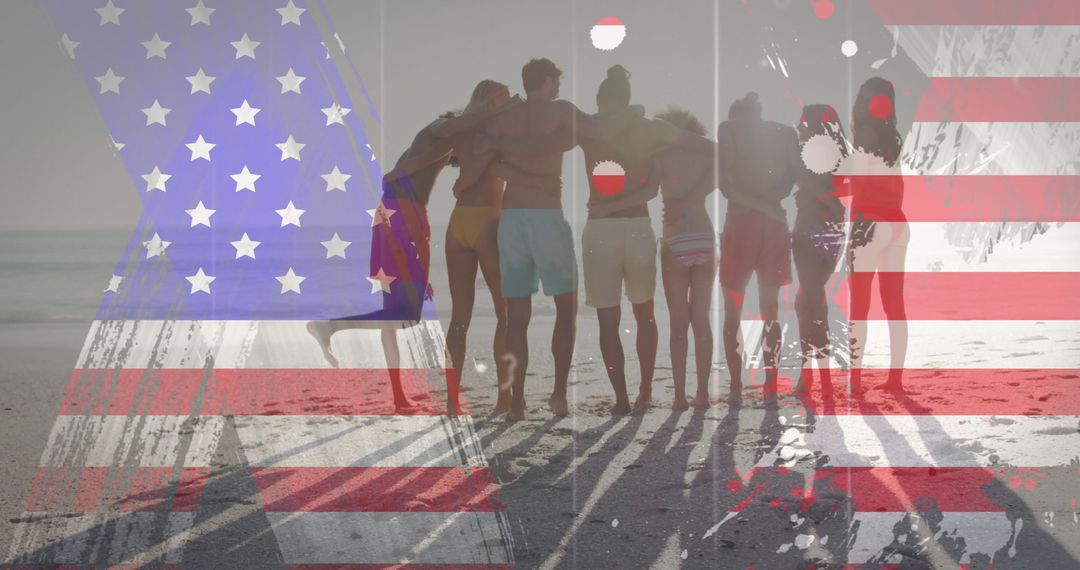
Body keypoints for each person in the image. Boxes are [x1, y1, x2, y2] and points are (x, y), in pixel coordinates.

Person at [482, 65, 715, 415]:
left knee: (608, 320)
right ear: (627, 99)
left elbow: (542, 145)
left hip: (601, 228)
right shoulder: (651, 127)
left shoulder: (588, 127)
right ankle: (645, 391)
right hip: (637, 225)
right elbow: (708, 148)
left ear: (600, 100)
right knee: (645, 314)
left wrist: (503, 151)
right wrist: (697, 192)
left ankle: (621, 399)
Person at [306, 80, 527, 412]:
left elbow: (420, 167)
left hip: (393, 215)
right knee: (407, 315)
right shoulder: (442, 127)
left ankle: (398, 396)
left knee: (397, 314)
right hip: (404, 215)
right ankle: (330, 326)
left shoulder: (438, 147)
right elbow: (422, 156)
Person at [480, 58, 647, 420]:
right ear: (546, 81)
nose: (558, 88)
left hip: (512, 218)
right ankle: (557, 395)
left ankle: (517, 403)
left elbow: (488, 159)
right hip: (545, 216)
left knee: (516, 316)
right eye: (555, 82)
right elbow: (600, 131)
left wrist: (522, 169)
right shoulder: (559, 110)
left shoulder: (506, 118)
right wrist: (633, 113)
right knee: (566, 308)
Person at [443, 80, 561, 415]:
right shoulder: (498, 133)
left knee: (459, 318)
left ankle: (452, 402)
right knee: (505, 315)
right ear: (495, 102)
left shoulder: (464, 130)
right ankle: (505, 398)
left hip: (458, 222)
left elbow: (460, 172)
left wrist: (463, 182)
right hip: (488, 221)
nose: (513, 104)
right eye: (506, 100)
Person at [716, 92, 800, 404]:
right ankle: (770, 384)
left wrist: (755, 202)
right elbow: (792, 176)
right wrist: (767, 202)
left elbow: (724, 184)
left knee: (733, 310)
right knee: (770, 310)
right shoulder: (784, 134)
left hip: (741, 223)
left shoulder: (729, 129)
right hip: (772, 222)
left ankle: (737, 386)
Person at [837, 77, 908, 393]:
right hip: (898, 224)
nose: (861, 103)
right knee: (895, 305)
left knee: (859, 304)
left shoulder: (865, 133)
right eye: (861, 96)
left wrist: (827, 188)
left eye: (866, 97)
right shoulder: (894, 136)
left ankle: (854, 380)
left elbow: (857, 183)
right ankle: (895, 379)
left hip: (868, 223)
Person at [653, 107, 719, 410]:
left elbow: (648, 188)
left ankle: (680, 396)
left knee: (678, 324)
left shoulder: (661, 155)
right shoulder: (705, 156)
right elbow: (726, 159)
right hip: (704, 235)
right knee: (701, 321)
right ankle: (703, 393)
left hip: (676, 236)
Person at [791, 104, 848, 399]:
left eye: (802, 123)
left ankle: (813, 377)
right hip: (833, 234)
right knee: (810, 301)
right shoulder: (839, 153)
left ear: (812, 126)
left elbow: (802, 178)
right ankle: (815, 375)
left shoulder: (805, 152)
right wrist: (833, 199)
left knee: (811, 305)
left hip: (809, 230)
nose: (797, 127)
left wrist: (825, 198)